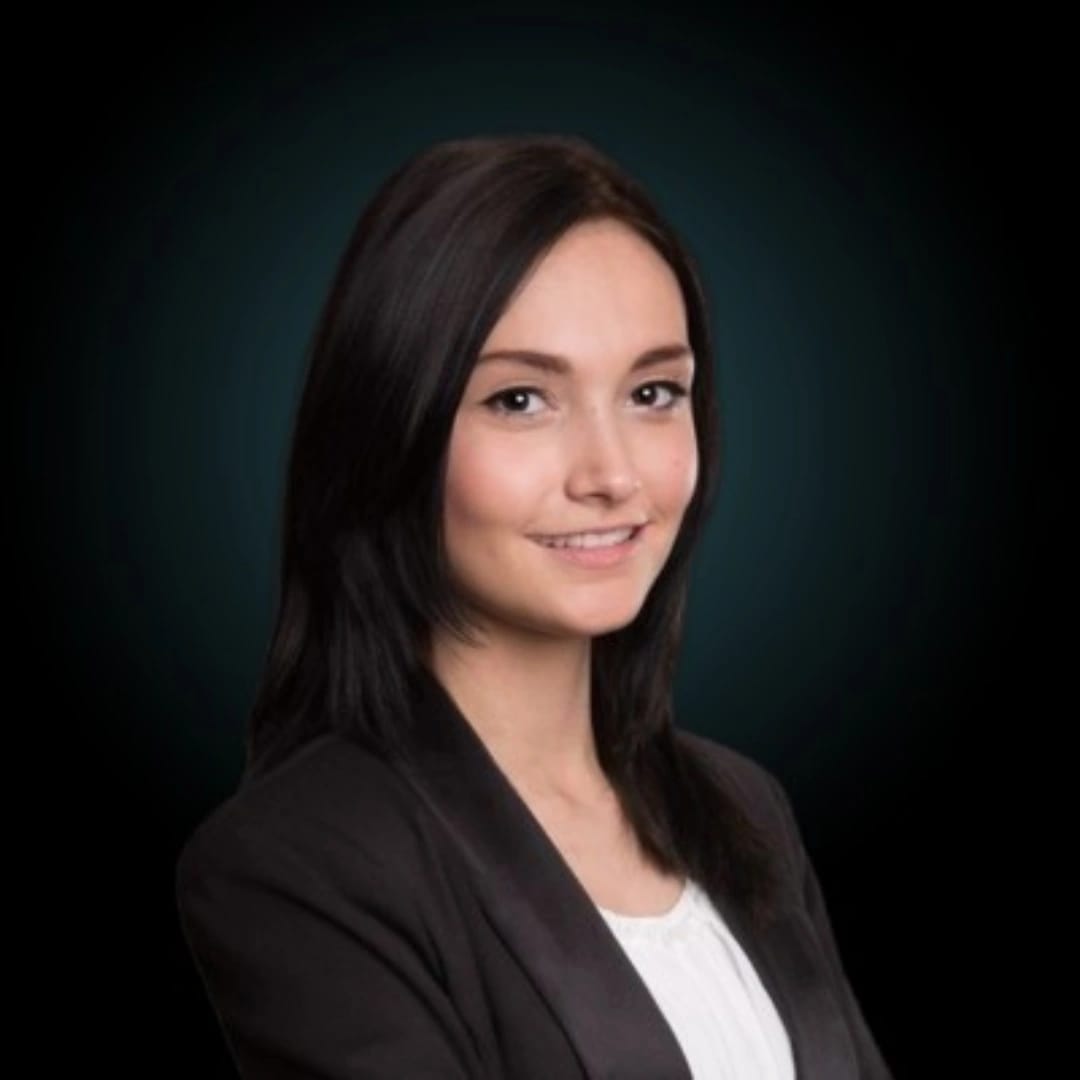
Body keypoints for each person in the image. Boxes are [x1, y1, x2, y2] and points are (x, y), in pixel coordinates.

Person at [175, 133, 893, 1079]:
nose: (612, 474)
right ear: (391, 428)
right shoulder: (300, 861)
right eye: (520, 400)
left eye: (653, 392)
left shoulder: (741, 808)